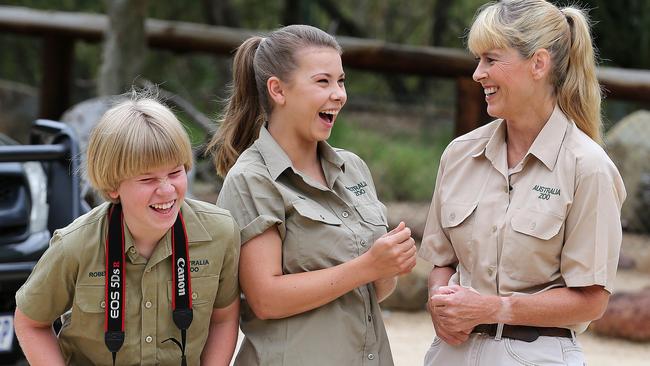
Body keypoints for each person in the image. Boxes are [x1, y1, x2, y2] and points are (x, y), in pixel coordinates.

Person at [420, 1, 626, 365]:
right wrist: (440, 302)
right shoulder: (458, 155)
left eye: (490, 59)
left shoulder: (589, 168)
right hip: (451, 354)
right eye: (477, 60)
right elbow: (442, 262)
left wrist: (493, 309)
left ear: (538, 63)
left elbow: (592, 300)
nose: (477, 74)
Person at [208, 24, 417, 366]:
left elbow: (375, 291)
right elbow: (265, 298)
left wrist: (388, 267)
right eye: (323, 81)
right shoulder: (251, 179)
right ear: (278, 90)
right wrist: (367, 266)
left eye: (341, 81)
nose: (339, 94)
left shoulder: (354, 168)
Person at [14, 96, 241, 366]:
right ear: (112, 187)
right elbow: (30, 322)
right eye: (147, 179)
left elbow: (224, 317)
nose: (167, 190)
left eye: (175, 172)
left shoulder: (220, 232)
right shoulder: (74, 245)